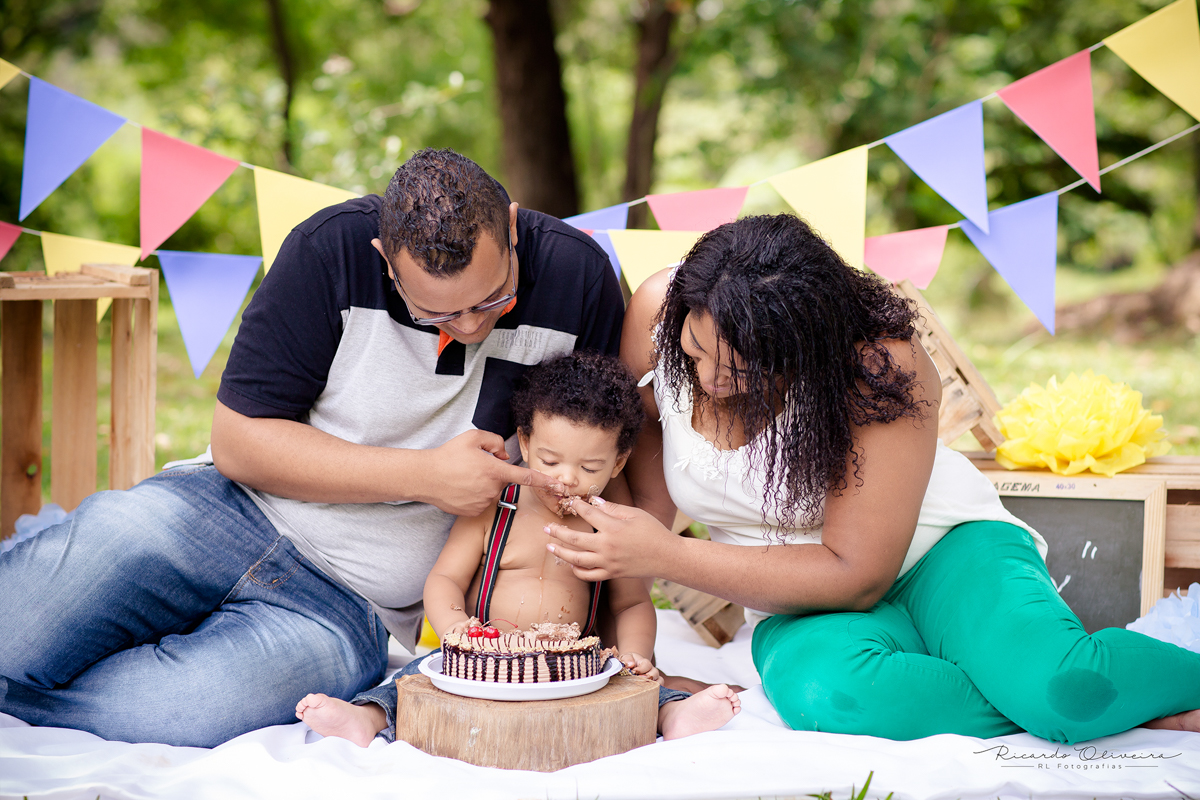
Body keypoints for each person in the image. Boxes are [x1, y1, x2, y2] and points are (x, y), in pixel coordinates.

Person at [0, 148, 626, 747]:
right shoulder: (329, 249)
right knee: (15, 632)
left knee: (184, 709)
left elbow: (609, 449)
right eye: (435, 314)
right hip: (217, 511)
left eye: (492, 299)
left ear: (511, 227)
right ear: (385, 259)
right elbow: (238, 444)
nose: (468, 326)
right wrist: (424, 476)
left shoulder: (579, 278)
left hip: (349, 606)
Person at [544, 213, 1200, 743]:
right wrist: (621, 639)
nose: (710, 379)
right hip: (798, 601)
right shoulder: (658, 312)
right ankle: (1076, 700)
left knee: (1065, 690)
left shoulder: (878, 364)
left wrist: (666, 555)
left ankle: (1071, 695)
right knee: (829, 696)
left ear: (806, 348)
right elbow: (649, 496)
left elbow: (857, 574)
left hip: (944, 554)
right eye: (694, 352)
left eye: (742, 368)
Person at [295, 352, 740, 745]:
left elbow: (631, 603)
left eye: (590, 467)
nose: (566, 478)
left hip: (574, 665)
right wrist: (456, 628)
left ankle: (672, 714)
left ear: (617, 463)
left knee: (633, 684)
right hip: (482, 658)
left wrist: (635, 655)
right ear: (524, 442)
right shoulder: (496, 507)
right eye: (549, 461)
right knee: (418, 677)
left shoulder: (608, 526)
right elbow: (445, 578)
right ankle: (368, 718)